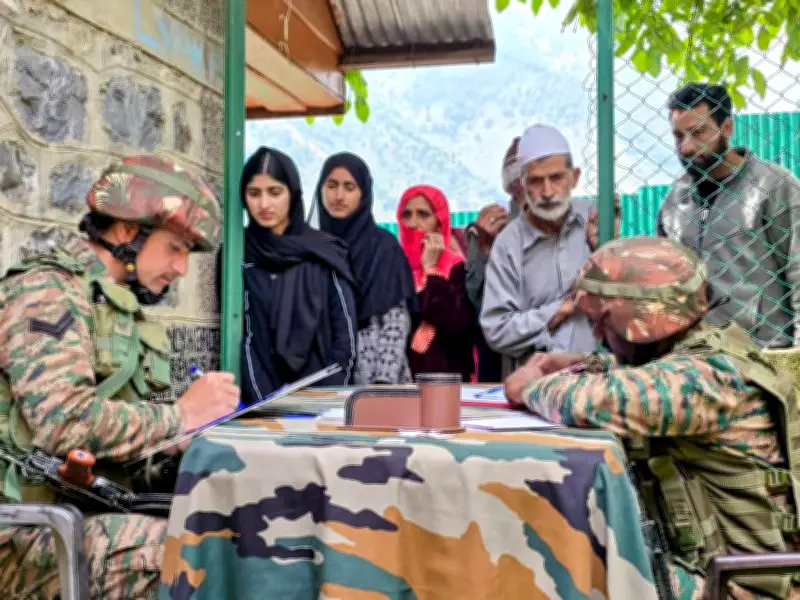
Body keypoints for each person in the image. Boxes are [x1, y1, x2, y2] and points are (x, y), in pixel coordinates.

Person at [505, 236, 799, 600]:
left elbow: (593, 401)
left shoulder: (706, 381)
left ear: (644, 320)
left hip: (738, 586)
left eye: (601, 322)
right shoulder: (711, 355)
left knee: (565, 565)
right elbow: (650, 374)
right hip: (715, 565)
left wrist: (530, 386)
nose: (596, 334)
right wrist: (589, 362)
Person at [0, 155, 240, 598]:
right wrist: (180, 417)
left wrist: (187, 443)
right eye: (176, 247)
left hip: (79, 513)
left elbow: (118, 461)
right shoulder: (47, 291)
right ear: (128, 231)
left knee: (241, 523)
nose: (182, 269)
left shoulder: (113, 309)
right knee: (192, 552)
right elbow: (64, 423)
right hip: (20, 536)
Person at [656, 82, 800, 348]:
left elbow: (797, 269)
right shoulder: (674, 202)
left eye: (698, 132)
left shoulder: (773, 186)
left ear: (727, 128)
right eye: (678, 136)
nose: (686, 147)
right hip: (696, 358)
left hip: (763, 357)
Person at [218, 146, 358, 404]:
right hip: (260, 403)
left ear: (292, 193)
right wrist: (266, 404)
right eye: (254, 193)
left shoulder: (325, 252)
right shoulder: (239, 253)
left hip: (322, 400)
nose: (264, 204)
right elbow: (246, 338)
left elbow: (344, 342)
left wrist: (322, 401)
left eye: (274, 192)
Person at [480, 124, 597, 379]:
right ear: (523, 185)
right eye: (536, 181)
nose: (547, 192)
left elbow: (630, 305)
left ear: (574, 177)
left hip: (599, 379)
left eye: (556, 178)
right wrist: (560, 309)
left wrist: (606, 250)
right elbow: (497, 330)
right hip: (536, 387)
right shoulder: (508, 244)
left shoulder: (598, 221)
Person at [314, 152, 417, 384]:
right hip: (324, 376)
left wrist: (383, 383)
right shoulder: (313, 247)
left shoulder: (383, 247)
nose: (339, 195)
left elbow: (395, 323)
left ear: (363, 194)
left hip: (374, 375)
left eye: (349, 187)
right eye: (332, 185)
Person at [397, 185, 476, 380]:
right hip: (401, 379)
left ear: (439, 222)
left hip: (446, 380)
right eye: (406, 215)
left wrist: (431, 270)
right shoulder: (393, 264)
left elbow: (455, 323)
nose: (413, 223)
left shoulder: (455, 266)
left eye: (423, 215)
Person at [464, 137, 522, 382]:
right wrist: (482, 247)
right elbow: (477, 303)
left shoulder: (573, 226)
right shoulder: (495, 227)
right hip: (500, 356)